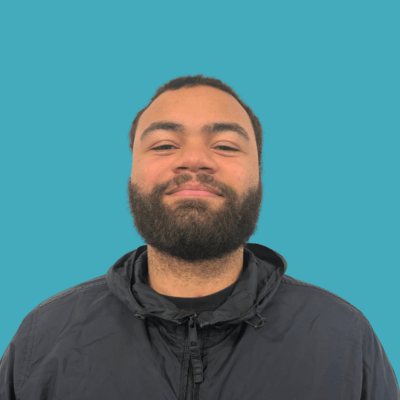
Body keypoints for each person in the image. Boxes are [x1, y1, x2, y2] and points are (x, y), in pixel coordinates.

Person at [1, 75, 398, 400]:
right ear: (132, 173)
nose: (193, 159)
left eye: (224, 145)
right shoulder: (44, 336)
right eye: (164, 145)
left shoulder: (342, 337)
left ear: (259, 175)